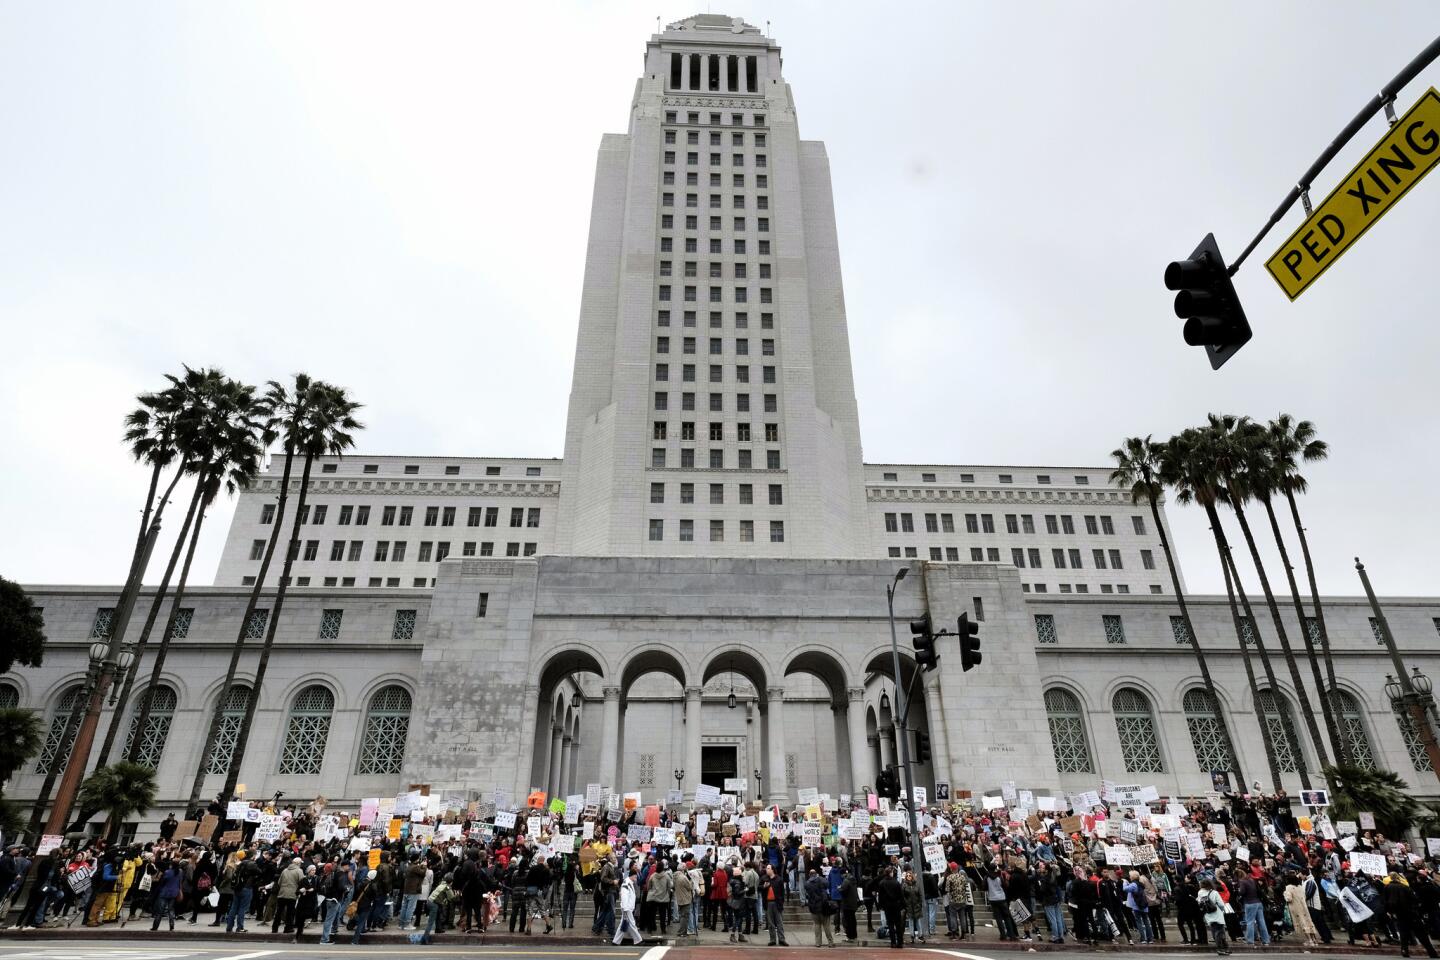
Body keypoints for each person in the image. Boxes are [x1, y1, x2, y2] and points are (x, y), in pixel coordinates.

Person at [1385, 870, 1440, 959]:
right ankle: (1431, 952)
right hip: (1411, 914)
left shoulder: (1387, 887)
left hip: (1400, 914)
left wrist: (1390, 911)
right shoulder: (1405, 887)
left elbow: (1386, 901)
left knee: (1403, 933)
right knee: (1421, 934)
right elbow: (1414, 900)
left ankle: (1404, 950)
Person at [1199, 878, 1231, 956]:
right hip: (1217, 914)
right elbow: (1221, 904)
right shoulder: (1214, 892)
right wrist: (1223, 910)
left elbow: (1199, 902)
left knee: (1215, 932)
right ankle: (1221, 949)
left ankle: (1225, 948)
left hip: (1208, 915)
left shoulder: (1200, 892)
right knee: (1220, 932)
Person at [271, 856, 303, 934]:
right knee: (290, 912)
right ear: (298, 863)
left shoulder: (285, 870)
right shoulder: (299, 871)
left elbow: (279, 882)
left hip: (282, 894)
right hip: (292, 894)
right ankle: (288, 928)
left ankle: (274, 928)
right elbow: (302, 883)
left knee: (279, 911)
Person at [613, 864, 644, 946]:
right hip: (627, 908)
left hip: (628, 907)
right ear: (632, 876)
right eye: (635, 876)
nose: (636, 878)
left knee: (624, 924)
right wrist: (626, 908)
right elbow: (624, 897)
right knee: (632, 924)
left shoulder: (628, 882)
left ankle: (616, 941)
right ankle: (638, 940)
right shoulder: (626, 884)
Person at [149, 859, 183, 932]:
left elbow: (162, 882)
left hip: (164, 893)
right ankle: (171, 926)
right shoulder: (179, 872)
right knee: (171, 910)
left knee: (160, 911)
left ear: (171, 865)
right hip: (174, 893)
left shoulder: (167, 872)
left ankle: (155, 926)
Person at [805, 868, 836, 947]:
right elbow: (827, 884)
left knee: (817, 924)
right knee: (826, 925)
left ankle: (818, 943)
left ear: (809, 875)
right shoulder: (821, 880)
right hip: (823, 906)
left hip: (813, 907)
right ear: (816, 874)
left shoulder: (807, 883)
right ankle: (830, 942)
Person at [1124, 869, 1155, 944]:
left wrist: (1125, 882)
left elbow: (1125, 889)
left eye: (1130, 875)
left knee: (1139, 922)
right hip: (1144, 905)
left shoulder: (1133, 884)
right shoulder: (1140, 883)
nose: (1129, 877)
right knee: (1146, 921)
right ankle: (1150, 938)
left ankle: (1143, 938)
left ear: (1132, 877)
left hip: (1137, 906)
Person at [878, 866, 905, 949]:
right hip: (896, 905)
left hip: (887, 906)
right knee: (898, 924)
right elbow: (901, 895)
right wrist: (903, 905)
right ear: (890, 873)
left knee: (890, 924)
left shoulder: (882, 883)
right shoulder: (896, 882)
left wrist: (881, 905)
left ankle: (893, 942)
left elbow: (880, 896)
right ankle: (900, 942)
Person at [764, 863, 789, 945]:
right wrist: (764, 886)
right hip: (768, 903)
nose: (766, 870)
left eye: (768, 868)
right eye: (766, 868)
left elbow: (782, 892)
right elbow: (759, 887)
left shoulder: (779, 879)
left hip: (777, 903)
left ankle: (781, 939)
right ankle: (772, 940)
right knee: (770, 923)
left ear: (772, 870)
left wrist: (781, 902)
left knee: (779, 923)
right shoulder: (765, 879)